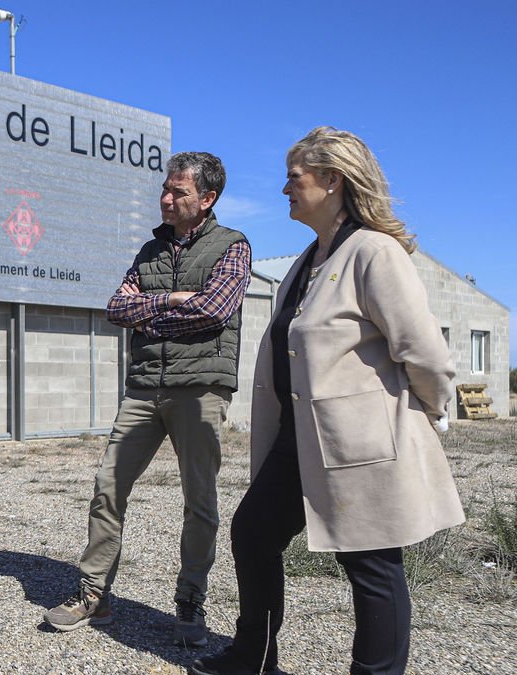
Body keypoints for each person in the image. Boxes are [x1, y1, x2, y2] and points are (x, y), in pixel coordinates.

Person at [189, 127, 463, 675]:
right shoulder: (308, 260)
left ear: (332, 180)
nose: (284, 189)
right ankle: (253, 658)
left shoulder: (374, 252)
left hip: (361, 443)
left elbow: (424, 352)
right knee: (254, 533)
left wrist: (431, 415)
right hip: (301, 441)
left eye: (294, 178)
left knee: (371, 566)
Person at [43, 152, 250, 647]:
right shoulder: (149, 251)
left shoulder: (233, 247)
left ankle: (190, 604)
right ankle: (95, 595)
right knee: (108, 487)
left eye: (178, 191)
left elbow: (215, 312)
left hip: (200, 388)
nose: (166, 198)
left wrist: (151, 315)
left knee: (198, 501)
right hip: (143, 388)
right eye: (165, 188)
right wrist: (170, 300)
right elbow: (117, 307)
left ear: (207, 198)